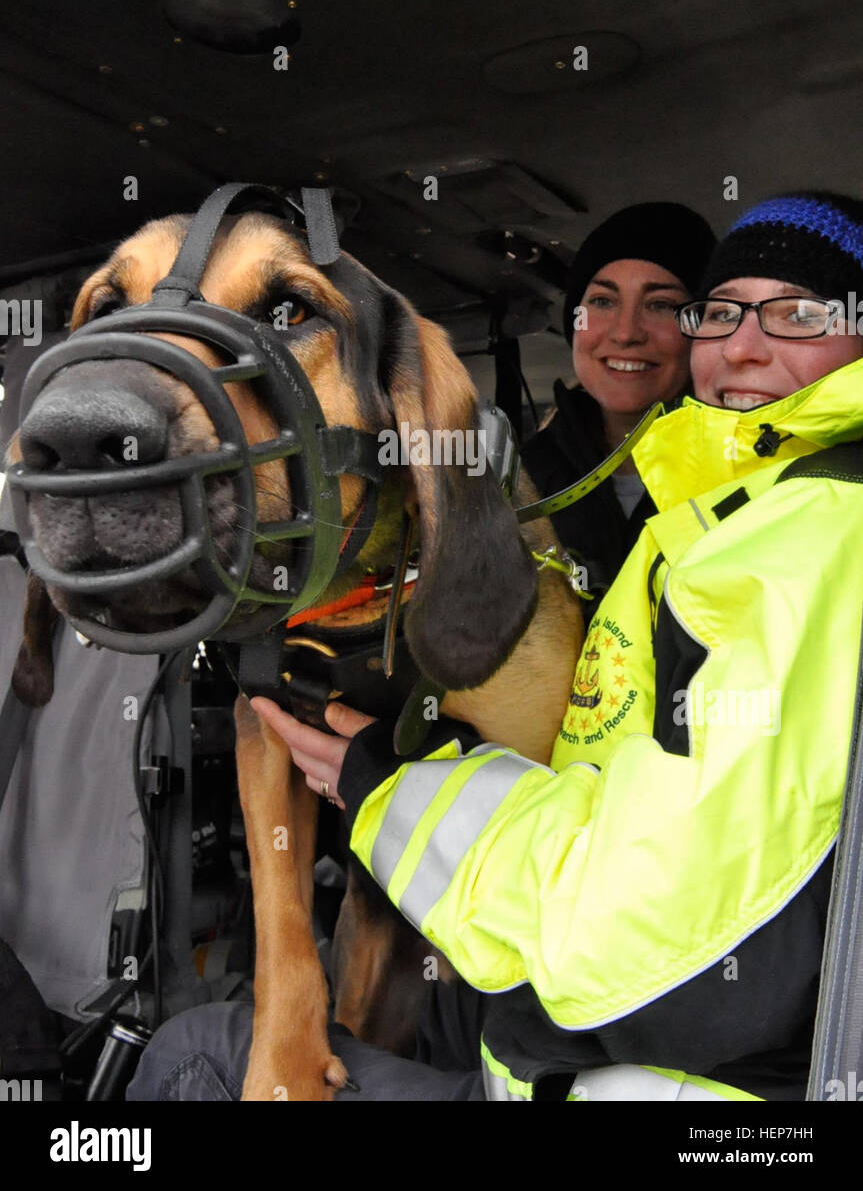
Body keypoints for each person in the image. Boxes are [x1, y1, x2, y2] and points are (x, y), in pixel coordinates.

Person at [128, 191, 863, 1102]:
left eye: (800, 315)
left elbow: (659, 938)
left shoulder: (810, 531)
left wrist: (388, 790)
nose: (745, 345)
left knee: (190, 1059)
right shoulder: (700, 505)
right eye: (723, 312)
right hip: (543, 1004)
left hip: (643, 1053)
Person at [520, 202, 715, 592]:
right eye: (603, 302)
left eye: (661, 305)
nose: (626, 333)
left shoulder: (747, 474)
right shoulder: (520, 480)